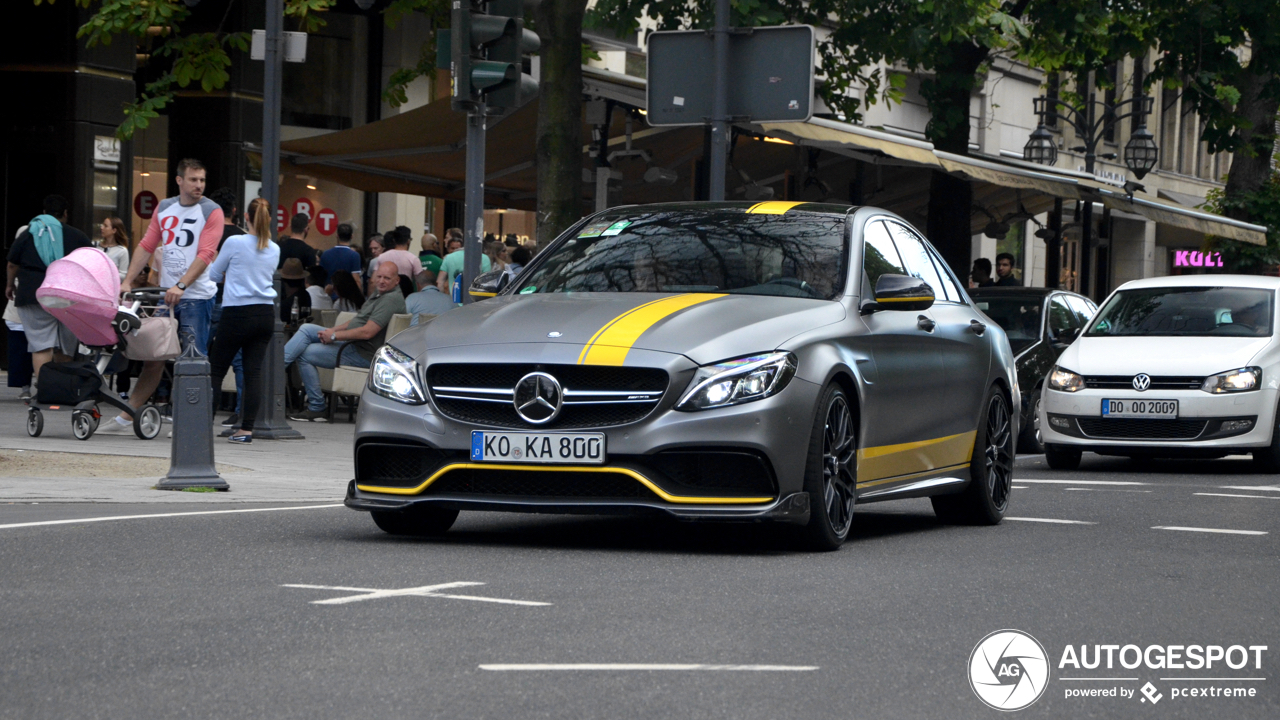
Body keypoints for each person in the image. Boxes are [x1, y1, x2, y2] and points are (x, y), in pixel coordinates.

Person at [106, 159, 225, 431]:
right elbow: (147, 244)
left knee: (193, 359)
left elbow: (207, 253)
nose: (199, 185)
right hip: (166, 295)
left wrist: (181, 285)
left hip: (195, 296)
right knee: (154, 357)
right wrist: (126, 281)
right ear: (179, 180)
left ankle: (193, 424)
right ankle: (126, 416)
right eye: (193, 180)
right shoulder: (165, 207)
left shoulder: (211, 210)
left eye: (202, 180)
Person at [285, 262, 406, 421]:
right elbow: (357, 321)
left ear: (396, 281)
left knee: (305, 354)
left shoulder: (390, 299)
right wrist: (333, 330)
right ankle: (276, 369)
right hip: (353, 345)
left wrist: (334, 337)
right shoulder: (380, 294)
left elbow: (367, 332)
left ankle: (316, 406)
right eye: (379, 276)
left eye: (387, 278)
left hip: (363, 352)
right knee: (307, 328)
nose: (382, 281)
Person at [203, 197, 280, 444]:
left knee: (216, 369)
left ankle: (204, 425)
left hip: (237, 312)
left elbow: (214, 274)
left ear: (245, 217)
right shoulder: (275, 248)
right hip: (265, 313)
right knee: (253, 372)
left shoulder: (234, 242)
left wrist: (231, 274)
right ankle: (246, 430)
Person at [5, 194, 94, 382]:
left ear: (44, 213)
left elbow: (12, 264)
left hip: (32, 294)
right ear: (65, 214)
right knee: (65, 346)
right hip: (67, 296)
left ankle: (45, 390)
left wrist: (10, 285)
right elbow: (92, 263)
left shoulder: (28, 233)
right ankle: (61, 389)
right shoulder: (77, 236)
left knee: (41, 345)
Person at [437, 233, 491, 297]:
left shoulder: (449, 257)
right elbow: (487, 283)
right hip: (475, 302)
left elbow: (440, 282)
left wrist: (444, 298)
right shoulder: (484, 258)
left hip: (453, 301)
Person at [320, 223, 362, 288]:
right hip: (347, 294)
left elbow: (321, 277)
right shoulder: (354, 256)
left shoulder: (325, 254)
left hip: (328, 293)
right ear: (351, 236)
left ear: (337, 236)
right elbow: (356, 280)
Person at [98, 216, 131, 281]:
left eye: (105, 226)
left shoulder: (122, 251)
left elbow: (123, 275)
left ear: (114, 230)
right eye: (102, 225)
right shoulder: (96, 246)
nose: (101, 228)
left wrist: (107, 274)